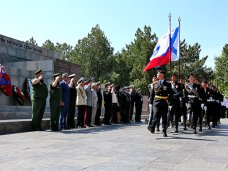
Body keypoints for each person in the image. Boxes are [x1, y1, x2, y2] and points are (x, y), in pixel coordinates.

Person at [148, 69, 172, 137]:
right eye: (157, 73)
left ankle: (164, 130)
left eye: (158, 73)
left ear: (162, 75)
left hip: (164, 101)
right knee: (155, 115)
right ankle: (152, 127)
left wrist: (170, 103)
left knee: (164, 117)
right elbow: (152, 93)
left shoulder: (168, 84)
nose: (157, 75)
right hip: (156, 101)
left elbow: (170, 94)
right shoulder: (155, 83)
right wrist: (150, 102)